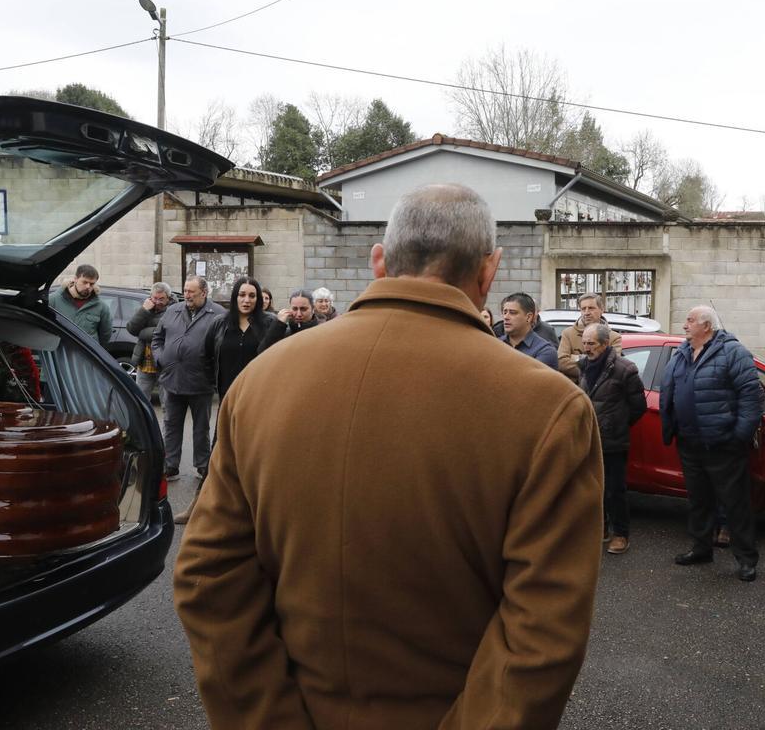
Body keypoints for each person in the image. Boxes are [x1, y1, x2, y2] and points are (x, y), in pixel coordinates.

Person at [174, 184, 603, 729]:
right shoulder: (550, 408)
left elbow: (208, 578)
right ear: (489, 271)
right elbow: (543, 632)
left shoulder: (260, 382)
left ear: (379, 261)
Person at [659, 305, 762, 581]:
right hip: (689, 442)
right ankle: (701, 548)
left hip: (723, 444)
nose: (685, 325)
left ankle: (746, 559)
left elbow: (752, 396)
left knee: (735, 503)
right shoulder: (683, 352)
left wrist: (738, 435)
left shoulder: (732, 352)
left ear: (706, 326)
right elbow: (670, 388)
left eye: (690, 321)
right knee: (698, 500)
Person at [175, 277, 274, 525]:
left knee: (257, 456)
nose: (247, 300)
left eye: (252, 296)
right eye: (242, 295)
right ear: (235, 297)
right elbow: (207, 356)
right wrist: (216, 386)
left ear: (259, 299)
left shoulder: (269, 324)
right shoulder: (220, 324)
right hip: (229, 400)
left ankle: (255, 511)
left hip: (259, 400)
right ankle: (197, 505)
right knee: (218, 454)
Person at [580, 322, 647, 555]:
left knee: (615, 490)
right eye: (584, 343)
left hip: (614, 440)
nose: (586, 348)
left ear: (606, 344)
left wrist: (616, 424)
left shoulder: (625, 369)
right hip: (591, 439)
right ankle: (603, 529)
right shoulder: (584, 366)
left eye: (591, 344)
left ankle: (621, 534)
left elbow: (639, 406)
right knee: (594, 488)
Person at [152, 275, 223, 481]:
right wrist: (161, 358)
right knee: (171, 425)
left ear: (204, 292)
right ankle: (170, 465)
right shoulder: (173, 310)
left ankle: (202, 465)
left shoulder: (218, 314)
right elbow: (157, 338)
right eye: (185, 290)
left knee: (201, 427)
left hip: (201, 382)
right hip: (172, 379)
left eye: (191, 291)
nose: (187, 295)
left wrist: (214, 369)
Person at [558, 292, 623, 383]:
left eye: (591, 308)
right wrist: (596, 366)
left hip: (600, 393)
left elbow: (610, 367)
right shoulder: (568, 333)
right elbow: (562, 363)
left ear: (602, 310)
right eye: (583, 309)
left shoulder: (613, 337)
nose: (586, 312)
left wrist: (577, 358)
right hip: (573, 391)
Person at [126, 282, 173, 403]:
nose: (157, 302)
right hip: (145, 362)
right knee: (141, 402)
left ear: (169, 297)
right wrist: (143, 310)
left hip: (166, 363)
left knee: (167, 404)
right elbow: (131, 329)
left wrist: (142, 333)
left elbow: (168, 332)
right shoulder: (145, 308)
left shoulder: (175, 311)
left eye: (161, 299)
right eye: (155, 298)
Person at [48, 264, 111, 346]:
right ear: (75, 279)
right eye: (85, 282)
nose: (88, 286)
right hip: (60, 354)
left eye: (91, 284)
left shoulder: (101, 306)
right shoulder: (53, 300)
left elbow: (105, 334)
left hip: (87, 355)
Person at [499, 292, 557, 369]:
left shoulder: (545, 351)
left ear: (529, 317)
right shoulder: (496, 344)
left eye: (512, 313)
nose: (506, 317)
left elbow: (526, 379)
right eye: (505, 312)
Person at [258, 288, 322, 352]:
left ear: (313, 309)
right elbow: (262, 352)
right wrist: (278, 325)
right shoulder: (283, 331)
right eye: (295, 309)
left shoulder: (321, 332)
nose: (299, 314)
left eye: (303, 309)